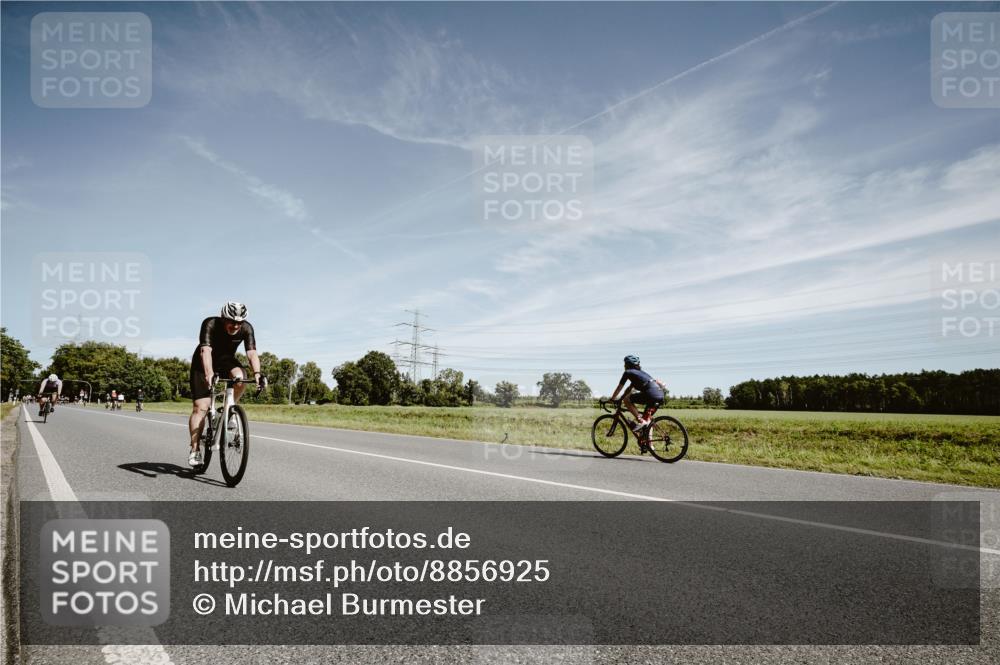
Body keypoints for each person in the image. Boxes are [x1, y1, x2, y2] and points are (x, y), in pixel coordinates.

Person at [187, 301, 263, 467]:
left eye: (239, 322)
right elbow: (205, 350)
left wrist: (257, 374)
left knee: (241, 376)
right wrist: (209, 374)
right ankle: (195, 450)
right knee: (201, 407)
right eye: (231, 321)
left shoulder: (246, 328)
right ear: (223, 318)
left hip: (225, 361)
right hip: (203, 364)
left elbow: (251, 353)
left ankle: (229, 408)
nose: (236, 326)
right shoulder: (210, 323)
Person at [609, 355, 667, 447]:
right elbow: (628, 389)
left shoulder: (628, 372)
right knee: (647, 420)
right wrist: (619, 399)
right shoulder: (640, 374)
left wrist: (612, 399)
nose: (624, 366)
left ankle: (640, 420)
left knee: (627, 400)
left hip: (651, 394)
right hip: (659, 394)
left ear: (627, 364)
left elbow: (620, 387)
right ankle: (649, 445)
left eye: (624, 364)